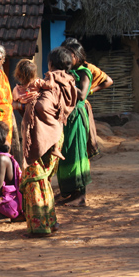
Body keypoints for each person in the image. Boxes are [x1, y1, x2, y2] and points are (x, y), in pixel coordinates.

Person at [14, 47, 77, 236]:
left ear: (50, 64)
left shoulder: (48, 84)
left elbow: (41, 109)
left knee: (36, 181)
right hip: (52, 137)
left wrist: (24, 104)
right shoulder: (65, 83)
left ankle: (39, 226)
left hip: (43, 139)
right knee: (43, 182)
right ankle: (51, 221)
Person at [61, 38, 113, 157]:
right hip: (66, 109)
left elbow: (108, 81)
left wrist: (90, 91)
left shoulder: (87, 69)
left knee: (80, 142)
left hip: (79, 108)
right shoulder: (64, 68)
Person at [56, 43, 93, 207]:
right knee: (67, 151)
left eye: (69, 54)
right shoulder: (70, 73)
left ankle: (80, 194)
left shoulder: (84, 72)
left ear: (77, 56)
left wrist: (67, 82)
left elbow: (82, 94)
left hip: (76, 116)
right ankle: (70, 191)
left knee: (77, 152)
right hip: (66, 116)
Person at [12, 59, 64, 160]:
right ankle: (55, 148)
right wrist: (52, 77)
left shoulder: (16, 90)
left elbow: (14, 103)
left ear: (18, 74)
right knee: (55, 125)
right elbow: (50, 85)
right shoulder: (37, 83)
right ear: (33, 74)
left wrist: (22, 105)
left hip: (28, 118)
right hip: (40, 113)